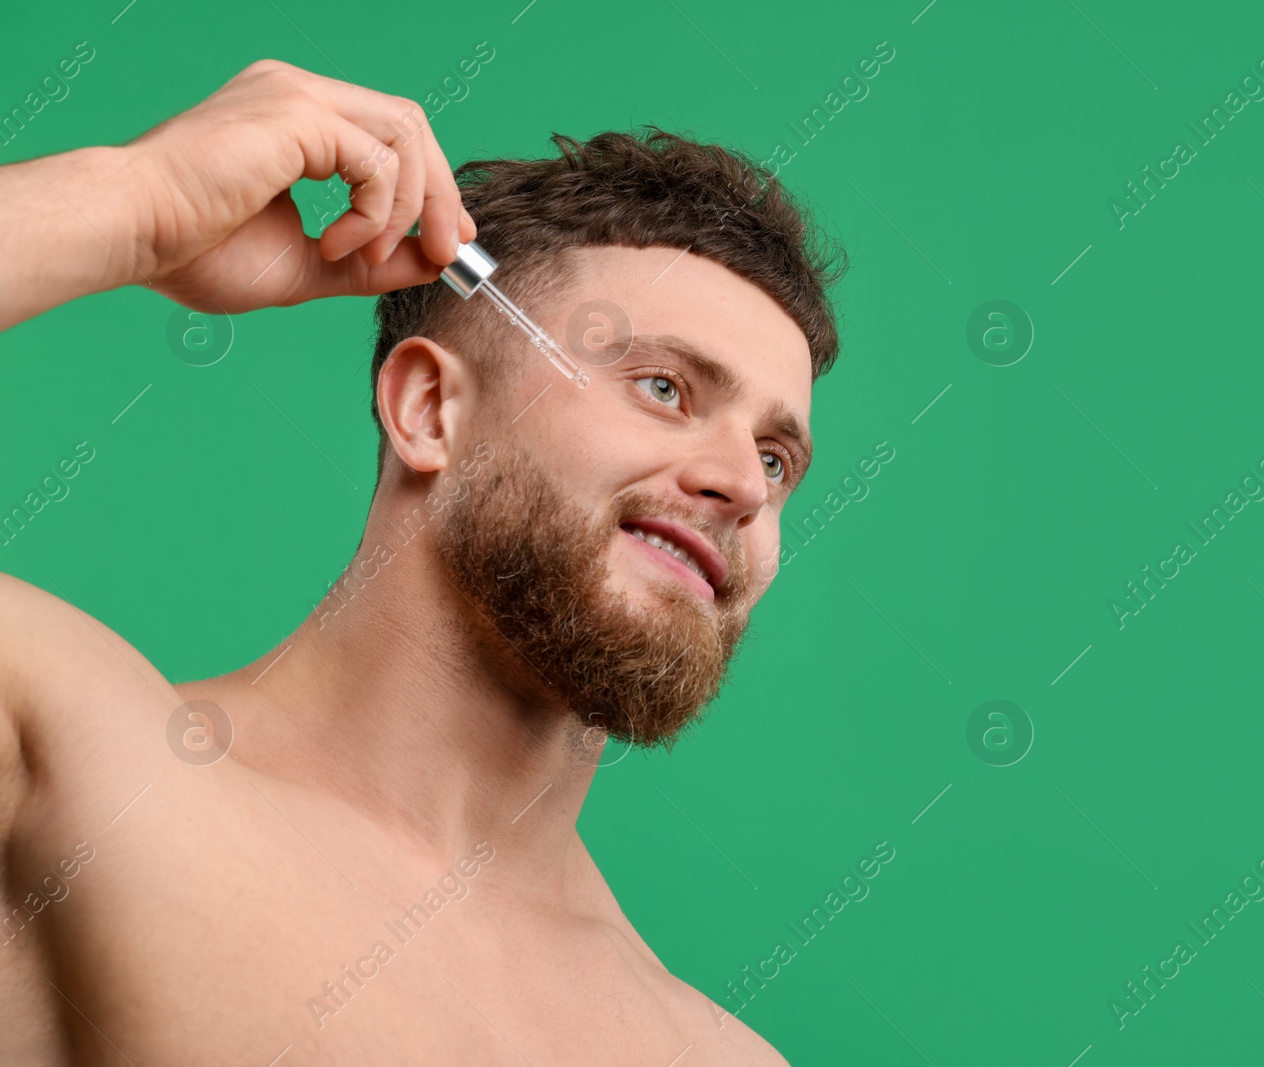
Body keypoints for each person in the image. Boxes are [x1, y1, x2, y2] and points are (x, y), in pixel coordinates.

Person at [0, 58, 845, 1064]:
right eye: (664, 387)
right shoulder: (81, 765)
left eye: (773, 458)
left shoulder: (712, 1052)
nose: (743, 486)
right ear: (431, 409)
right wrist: (136, 202)